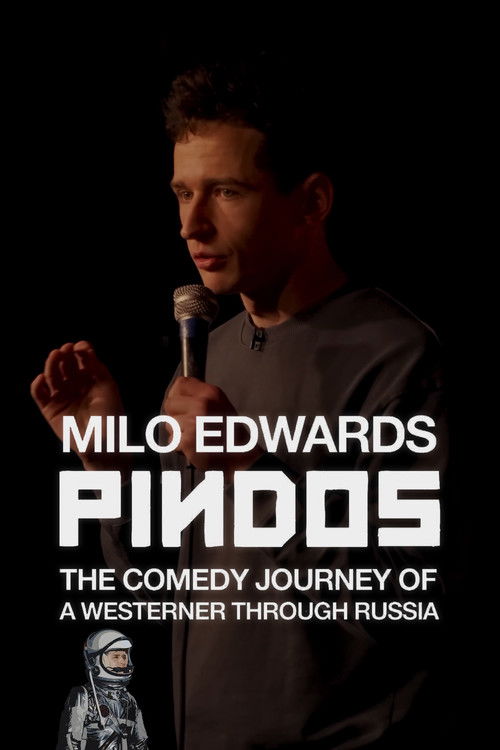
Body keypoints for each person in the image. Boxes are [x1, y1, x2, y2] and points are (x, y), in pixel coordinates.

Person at [33, 52, 449, 748]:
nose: (190, 225)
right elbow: (158, 586)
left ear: (312, 202)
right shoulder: (207, 357)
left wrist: (248, 473)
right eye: (181, 193)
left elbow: (403, 598)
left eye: (225, 191)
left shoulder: (399, 359)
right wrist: (108, 469)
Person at [56, 628, 149, 749]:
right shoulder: (83, 696)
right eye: (116, 656)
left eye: (124, 656)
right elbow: (70, 744)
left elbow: (140, 744)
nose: (122, 662)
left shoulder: (130, 701)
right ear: (94, 660)